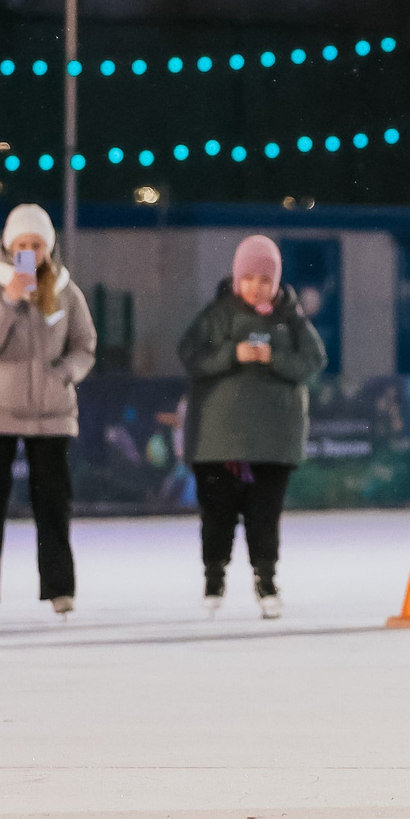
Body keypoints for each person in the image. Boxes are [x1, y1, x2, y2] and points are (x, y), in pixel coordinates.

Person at [176, 235, 326, 618]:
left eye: (265, 279)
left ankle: (266, 579)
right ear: (236, 277)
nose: (256, 286)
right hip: (218, 442)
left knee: (264, 517)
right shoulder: (218, 314)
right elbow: (191, 356)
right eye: (249, 278)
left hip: (273, 443)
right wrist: (233, 354)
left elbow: (312, 361)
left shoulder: (291, 320)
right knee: (217, 516)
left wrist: (274, 357)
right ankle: (213, 577)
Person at [0, 204, 95, 615]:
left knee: (54, 504)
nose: (30, 251)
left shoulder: (65, 290)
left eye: (37, 244)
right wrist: (9, 300)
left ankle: (59, 588)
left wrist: (65, 373)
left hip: (51, 413)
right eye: (22, 244)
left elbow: (84, 345)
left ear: (48, 248)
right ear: (8, 245)